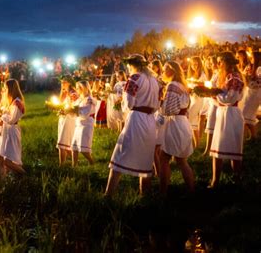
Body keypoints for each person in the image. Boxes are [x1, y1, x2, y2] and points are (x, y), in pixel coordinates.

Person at [105, 55, 160, 196]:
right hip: (150, 120)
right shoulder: (154, 80)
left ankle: (108, 193)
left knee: (120, 153)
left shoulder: (134, 78)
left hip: (136, 119)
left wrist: (124, 105)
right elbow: (157, 101)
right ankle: (145, 194)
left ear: (131, 65)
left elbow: (129, 103)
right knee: (146, 156)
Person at [158, 62, 195, 194]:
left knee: (163, 159)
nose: (162, 71)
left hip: (174, 124)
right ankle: (191, 190)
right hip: (183, 122)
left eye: (164, 69)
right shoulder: (183, 86)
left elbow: (169, 110)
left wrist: (160, 103)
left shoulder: (172, 86)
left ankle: (163, 192)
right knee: (181, 161)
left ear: (172, 71)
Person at [209, 52, 245, 188]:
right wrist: (214, 92)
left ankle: (236, 179)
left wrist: (214, 93)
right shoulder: (225, 77)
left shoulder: (235, 77)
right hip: (224, 113)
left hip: (231, 114)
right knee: (217, 148)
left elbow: (229, 98)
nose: (218, 65)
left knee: (234, 149)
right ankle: (215, 180)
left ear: (226, 63)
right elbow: (221, 96)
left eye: (219, 62)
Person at [0, 79, 26, 177]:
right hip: (5, 131)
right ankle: (2, 182)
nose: (4, 90)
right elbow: (6, 118)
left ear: (10, 88)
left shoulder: (17, 103)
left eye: (5, 88)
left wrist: (2, 115)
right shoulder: (10, 102)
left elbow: (12, 120)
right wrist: (1, 120)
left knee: (7, 161)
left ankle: (25, 175)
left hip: (12, 132)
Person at [70, 80, 96, 167]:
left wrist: (74, 110)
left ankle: (91, 162)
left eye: (78, 88)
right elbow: (73, 110)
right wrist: (67, 111)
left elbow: (85, 113)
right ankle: (74, 166)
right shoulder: (80, 99)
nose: (76, 90)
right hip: (79, 125)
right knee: (74, 147)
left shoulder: (89, 100)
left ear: (84, 88)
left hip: (86, 125)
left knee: (83, 149)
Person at [56, 77, 78, 166]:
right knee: (65, 142)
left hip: (69, 119)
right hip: (62, 118)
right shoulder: (64, 93)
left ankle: (61, 165)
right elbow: (60, 103)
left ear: (69, 83)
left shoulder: (73, 93)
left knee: (62, 142)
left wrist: (66, 110)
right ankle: (74, 161)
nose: (62, 84)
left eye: (64, 82)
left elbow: (75, 108)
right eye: (61, 83)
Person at [187, 57, 207, 148]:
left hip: (199, 100)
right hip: (192, 99)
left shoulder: (202, 74)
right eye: (192, 64)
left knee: (188, 120)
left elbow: (205, 85)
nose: (194, 66)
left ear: (199, 64)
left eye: (196, 64)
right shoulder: (191, 75)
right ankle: (197, 144)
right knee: (194, 123)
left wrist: (195, 84)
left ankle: (186, 144)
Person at [239, 51, 261, 140]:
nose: (250, 59)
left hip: (255, 94)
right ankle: (253, 136)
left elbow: (258, 83)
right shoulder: (249, 66)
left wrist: (248, 79)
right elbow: (244, 75)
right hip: (248, 93)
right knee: (247, 115)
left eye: (252, 57)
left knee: (245, 114)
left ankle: (242, 138)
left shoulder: (259, 68)